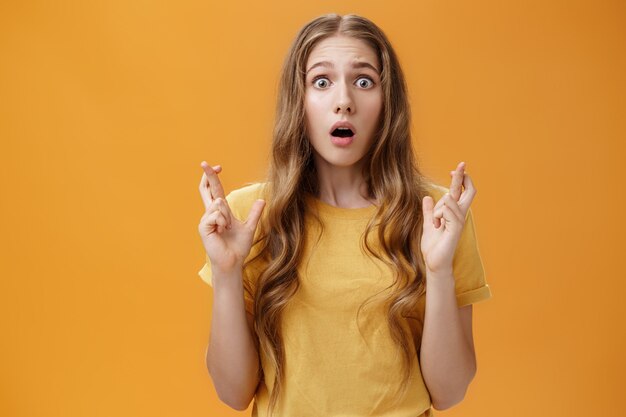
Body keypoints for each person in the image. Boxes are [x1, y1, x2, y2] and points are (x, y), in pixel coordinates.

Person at [197, 13, 492, 417]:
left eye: (364, 81)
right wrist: (227, 273)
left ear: (388, 101)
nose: (344, 100)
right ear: (298, 101)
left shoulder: (438, 216)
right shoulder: (249, 216)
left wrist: (438, 272)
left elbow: (450, 392)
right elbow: (233, 393)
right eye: (321, 81)